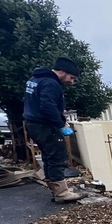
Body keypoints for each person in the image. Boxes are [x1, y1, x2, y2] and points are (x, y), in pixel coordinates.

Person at [23, 57, 83, 202]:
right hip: (43, 125)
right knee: (57, 155)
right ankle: (62, 193)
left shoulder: (35, 80)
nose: (72, 82)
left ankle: (56, 190)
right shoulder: (50, 83)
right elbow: (47, 107)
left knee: (49, 156)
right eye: (71, 77)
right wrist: (61, 125)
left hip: (32, 123)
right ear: (62, 71)